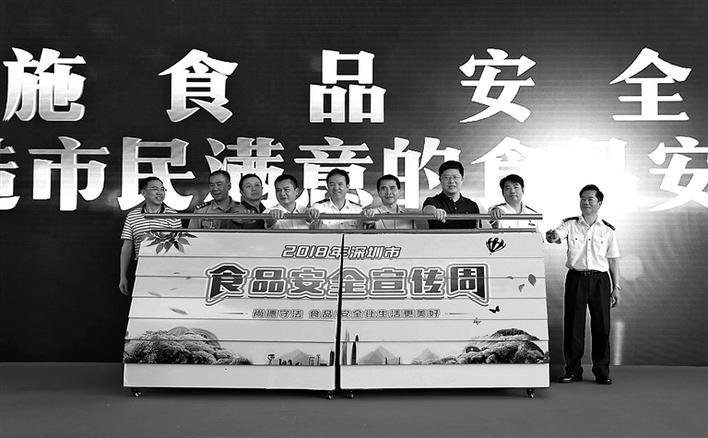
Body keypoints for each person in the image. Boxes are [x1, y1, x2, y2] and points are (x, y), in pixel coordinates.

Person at [546, 184, 621, 385]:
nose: (586, 202)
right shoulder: (569, 224)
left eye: (590, 199)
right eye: (583, 198)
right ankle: (572, 370)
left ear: (599, 203)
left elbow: (613, 259)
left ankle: (602, 371)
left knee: (602, 327)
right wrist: (552, 236)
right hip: (576, 279)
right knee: (573, 326)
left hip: (600, 280)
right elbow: (556, 236)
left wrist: (616, 287)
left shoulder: (607, 230)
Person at [119, 176, 181, 295]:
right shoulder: (133, 216)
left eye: (162, 189)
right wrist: (123, 276)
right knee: (142, 300)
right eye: (154, 189)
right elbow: (127, 247)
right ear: (143, 193)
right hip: (141, 266)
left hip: (167, 268)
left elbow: (178, 246)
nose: (160, 193)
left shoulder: (172, 214)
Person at [422, 160, 480, 229]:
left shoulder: (472, 205)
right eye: (446, 177)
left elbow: (478, 230)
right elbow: (427, 209)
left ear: (462, 179)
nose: (451, 181)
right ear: (440, 180)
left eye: (455, 177)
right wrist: (435, 212)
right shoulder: (432, 201)